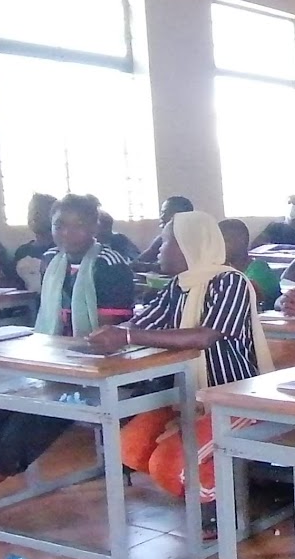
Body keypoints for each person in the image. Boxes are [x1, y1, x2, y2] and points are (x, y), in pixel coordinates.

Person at [0, 195, 138, 520]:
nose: (67, 233)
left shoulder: (110, 264)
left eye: (78, 225)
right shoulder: (51, 260)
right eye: (60, 225)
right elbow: (50, 320)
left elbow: (107, 335)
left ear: (94, 227)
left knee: (34, 416)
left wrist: (62, 359)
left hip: (102, 368)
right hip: (55, 361)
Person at [85, 211, 272, 520]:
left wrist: (127, 335)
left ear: (189, 245)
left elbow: (205, 336)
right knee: (128, 448)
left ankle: (222, 505)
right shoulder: (178, 286)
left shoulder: (230, 282)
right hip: (185, 395)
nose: (159, 249)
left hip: (232, 399)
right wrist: (110, 336)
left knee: (167, 464)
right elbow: (142, 325)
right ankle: (210, 475)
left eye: (166, 242)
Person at [219, 219, 280, 310]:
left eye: (225, 241)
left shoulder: (259, 270)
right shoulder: (224, 269)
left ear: (241, 241)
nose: (219, 247)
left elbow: (239, 302)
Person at [11, 193, 58, 291]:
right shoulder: (22, 251)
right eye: (31, 211)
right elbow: (13, 288)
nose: (34, 216)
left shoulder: (62, 250)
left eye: (40, 211)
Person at [135, 196, 195, 269]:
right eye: (162, 213)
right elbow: (141, 260)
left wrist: (148, 266)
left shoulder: (194, 238)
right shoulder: (163, 238)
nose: (162, 217)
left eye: (167, 213)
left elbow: (174, 267)